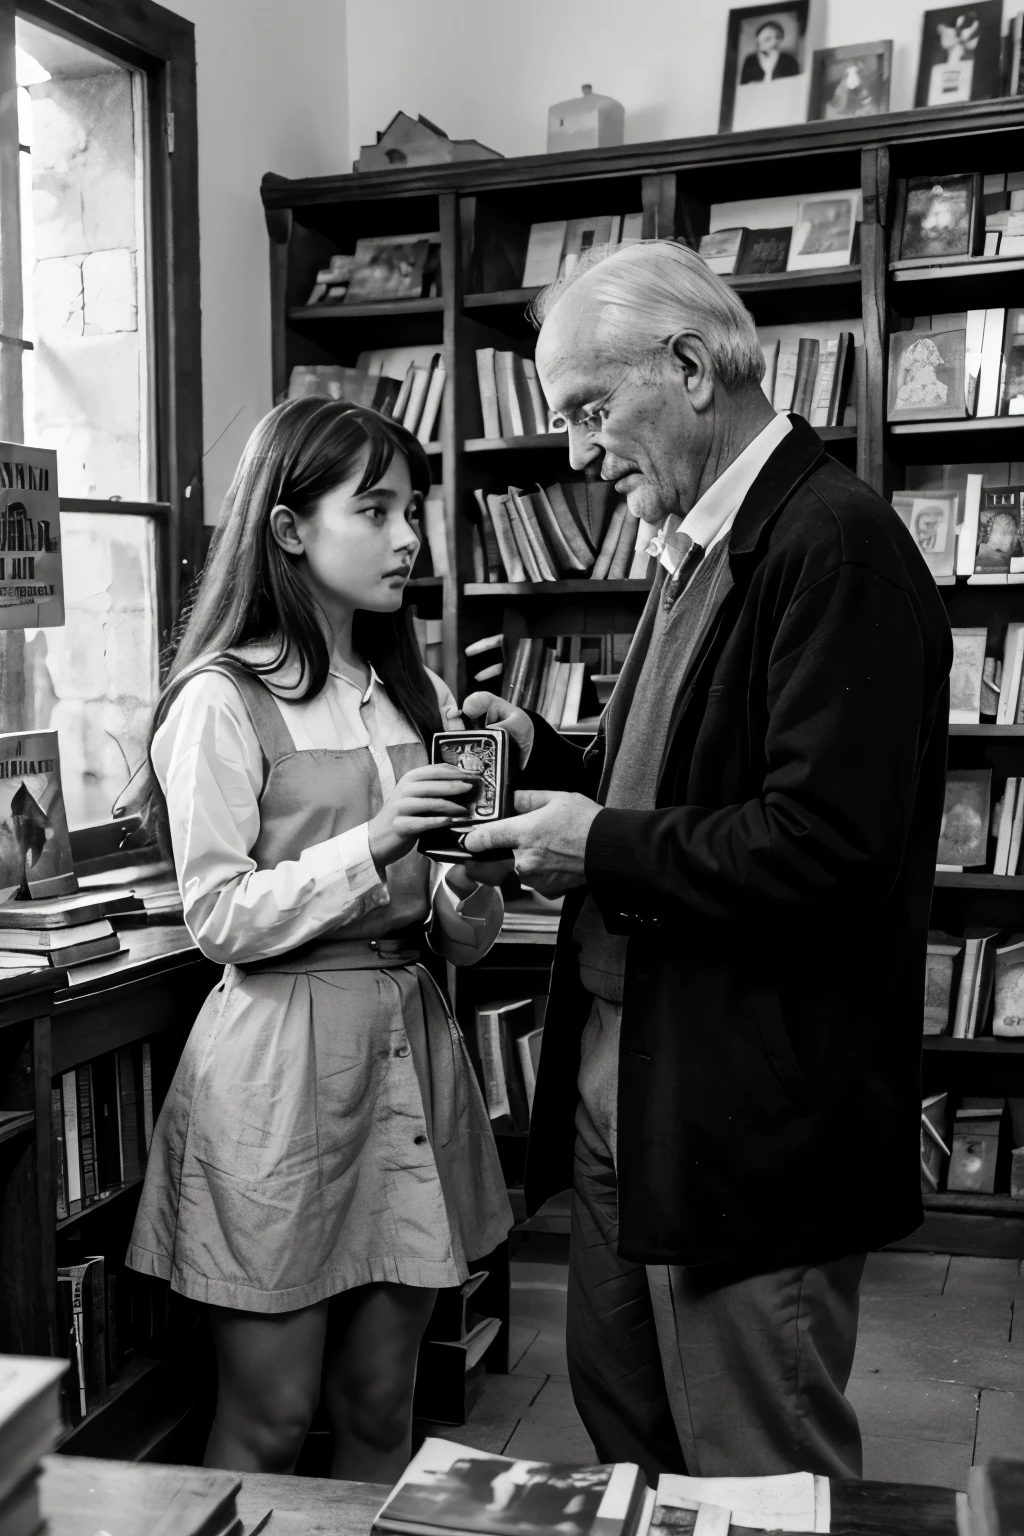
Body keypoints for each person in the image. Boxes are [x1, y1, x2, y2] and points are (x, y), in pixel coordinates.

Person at [463, 240, 952, 1481]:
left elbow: (826, 849)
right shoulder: (693, 540)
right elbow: (684, 788)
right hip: (637, 1077)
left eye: (587, 410)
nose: (574, 452)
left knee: (755, 1458)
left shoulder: (832, 546)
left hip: (744, 1102)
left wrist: (600, 845)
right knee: (628, 1423)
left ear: (688, 367)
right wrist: (559, 769)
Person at [126, 398, 513, 1479]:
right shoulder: (220, 698)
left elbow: (460, 932)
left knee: (386, 1403)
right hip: (280, 1067)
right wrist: (379, 839)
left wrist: (470, 881)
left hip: (407, 1041)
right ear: (290, 528)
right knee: (272, 1413)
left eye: (415, 511)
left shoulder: (414, 690)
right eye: (376, 509)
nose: (408, 539)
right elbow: (217, 917)